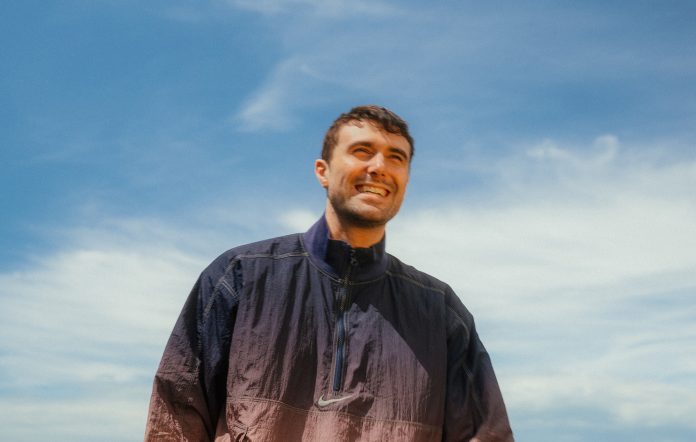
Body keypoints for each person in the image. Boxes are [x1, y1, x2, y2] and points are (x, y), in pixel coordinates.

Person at [144, 105, 514, 441]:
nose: (380, 167)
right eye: (362, 151)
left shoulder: (440, 311)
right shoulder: (240, 277)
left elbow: (485, 434)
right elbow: (176, 417)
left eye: (396, 157)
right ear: (323, 171)